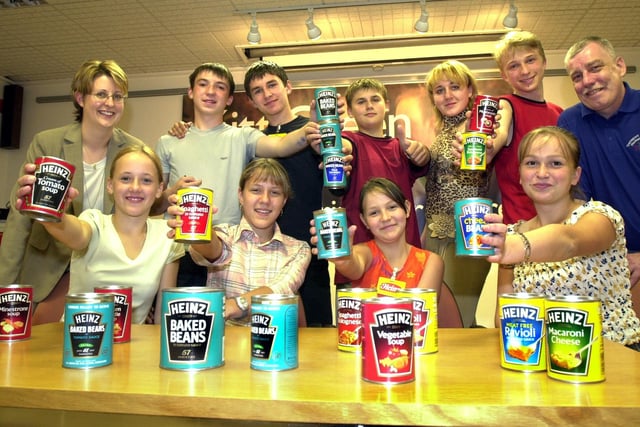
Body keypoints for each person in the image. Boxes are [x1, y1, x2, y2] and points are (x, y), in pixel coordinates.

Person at [0, 60, 145, 324]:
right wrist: (4, 285)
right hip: (48, 269)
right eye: (101, 94)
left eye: (117, 96)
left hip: (103, 271)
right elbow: (20, 219)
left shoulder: (133, 150)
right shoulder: (47, 143)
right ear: (80, 98)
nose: (110, 103)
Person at [155, 62, 312, 288]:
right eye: (203, 84)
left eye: (219, 87)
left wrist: (315, 126)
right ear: (190, 92)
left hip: (227, 254)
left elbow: (280, 147)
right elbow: (152, 206)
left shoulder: (243, 137)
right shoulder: (168, 142)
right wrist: (171, 191)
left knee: (228, 319)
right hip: (178, 252)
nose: (210, 92)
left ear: (229, 99)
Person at [483, 126, 640, 350]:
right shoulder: (512, 236)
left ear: (575, 175)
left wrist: (515, 247)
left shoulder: (601, 217)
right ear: (519, 175)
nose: (542, 173)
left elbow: (569, 241)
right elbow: (504, 318)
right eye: (531, 163)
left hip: (613, 355)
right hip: (542, 361)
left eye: (555, 163)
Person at [14, 146, 184, 324]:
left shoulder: (168, 235)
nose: (135, 187)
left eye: (146, 180)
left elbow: (163, 319)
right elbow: (75, 233)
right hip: (77, 342)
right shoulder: (94, 221)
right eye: (125, 178)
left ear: (159, 189)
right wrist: (49, 210)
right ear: (110, 185)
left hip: (131, 348)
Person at [166, 158, 311, 326]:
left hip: (275, 347)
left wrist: (236, 305)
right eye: (256, 190)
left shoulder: (299, 249)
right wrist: (196, 225)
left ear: (284, 201)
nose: (265, 199)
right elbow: (215, 251)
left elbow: (281, 289)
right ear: (240, 195)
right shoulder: (224, 234)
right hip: (224, 346)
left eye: (275, 192)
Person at [241, 61, 331, 327]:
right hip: (267, 254)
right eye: (258, 91)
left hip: (312, 248)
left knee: (317, 333)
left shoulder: (314, 129)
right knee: (270, 330)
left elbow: (343, 157)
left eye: (272, 85)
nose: (267, 94)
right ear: (252, 101)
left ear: (287, 87)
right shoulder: (254, 142)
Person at [557, 36, 640, 314]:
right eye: (577, 76)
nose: (588, 81)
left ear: (619, 66)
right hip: (606, 261)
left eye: (595, 68)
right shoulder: (568, 123)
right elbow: (578, 198)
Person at [422, 60, 492, 327]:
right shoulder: (442, 132)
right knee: (436, 316)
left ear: (470, 90)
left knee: (460, 317)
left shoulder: (481, 127)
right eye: (439, 90)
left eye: (454, 87)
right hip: (436, 232)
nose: (447, 95)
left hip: (469, 231)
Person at [311, 177, 443, 293]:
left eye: (392, 207)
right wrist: (342, 259)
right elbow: (352, 265)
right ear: (364, 221)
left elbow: (422, 311)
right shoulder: (364, 253)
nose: (385, 218)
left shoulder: (431, 261)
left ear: (407, 209)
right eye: (374, 213)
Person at [490, 30, 564, 225]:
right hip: (522, 232)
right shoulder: (504, 107)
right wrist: (487, 148)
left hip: (561, 229)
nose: (524, 71)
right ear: (504, 75)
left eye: (530, 60)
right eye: (514, 66)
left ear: (544, 62)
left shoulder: (560, 114)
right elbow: (498, 136)